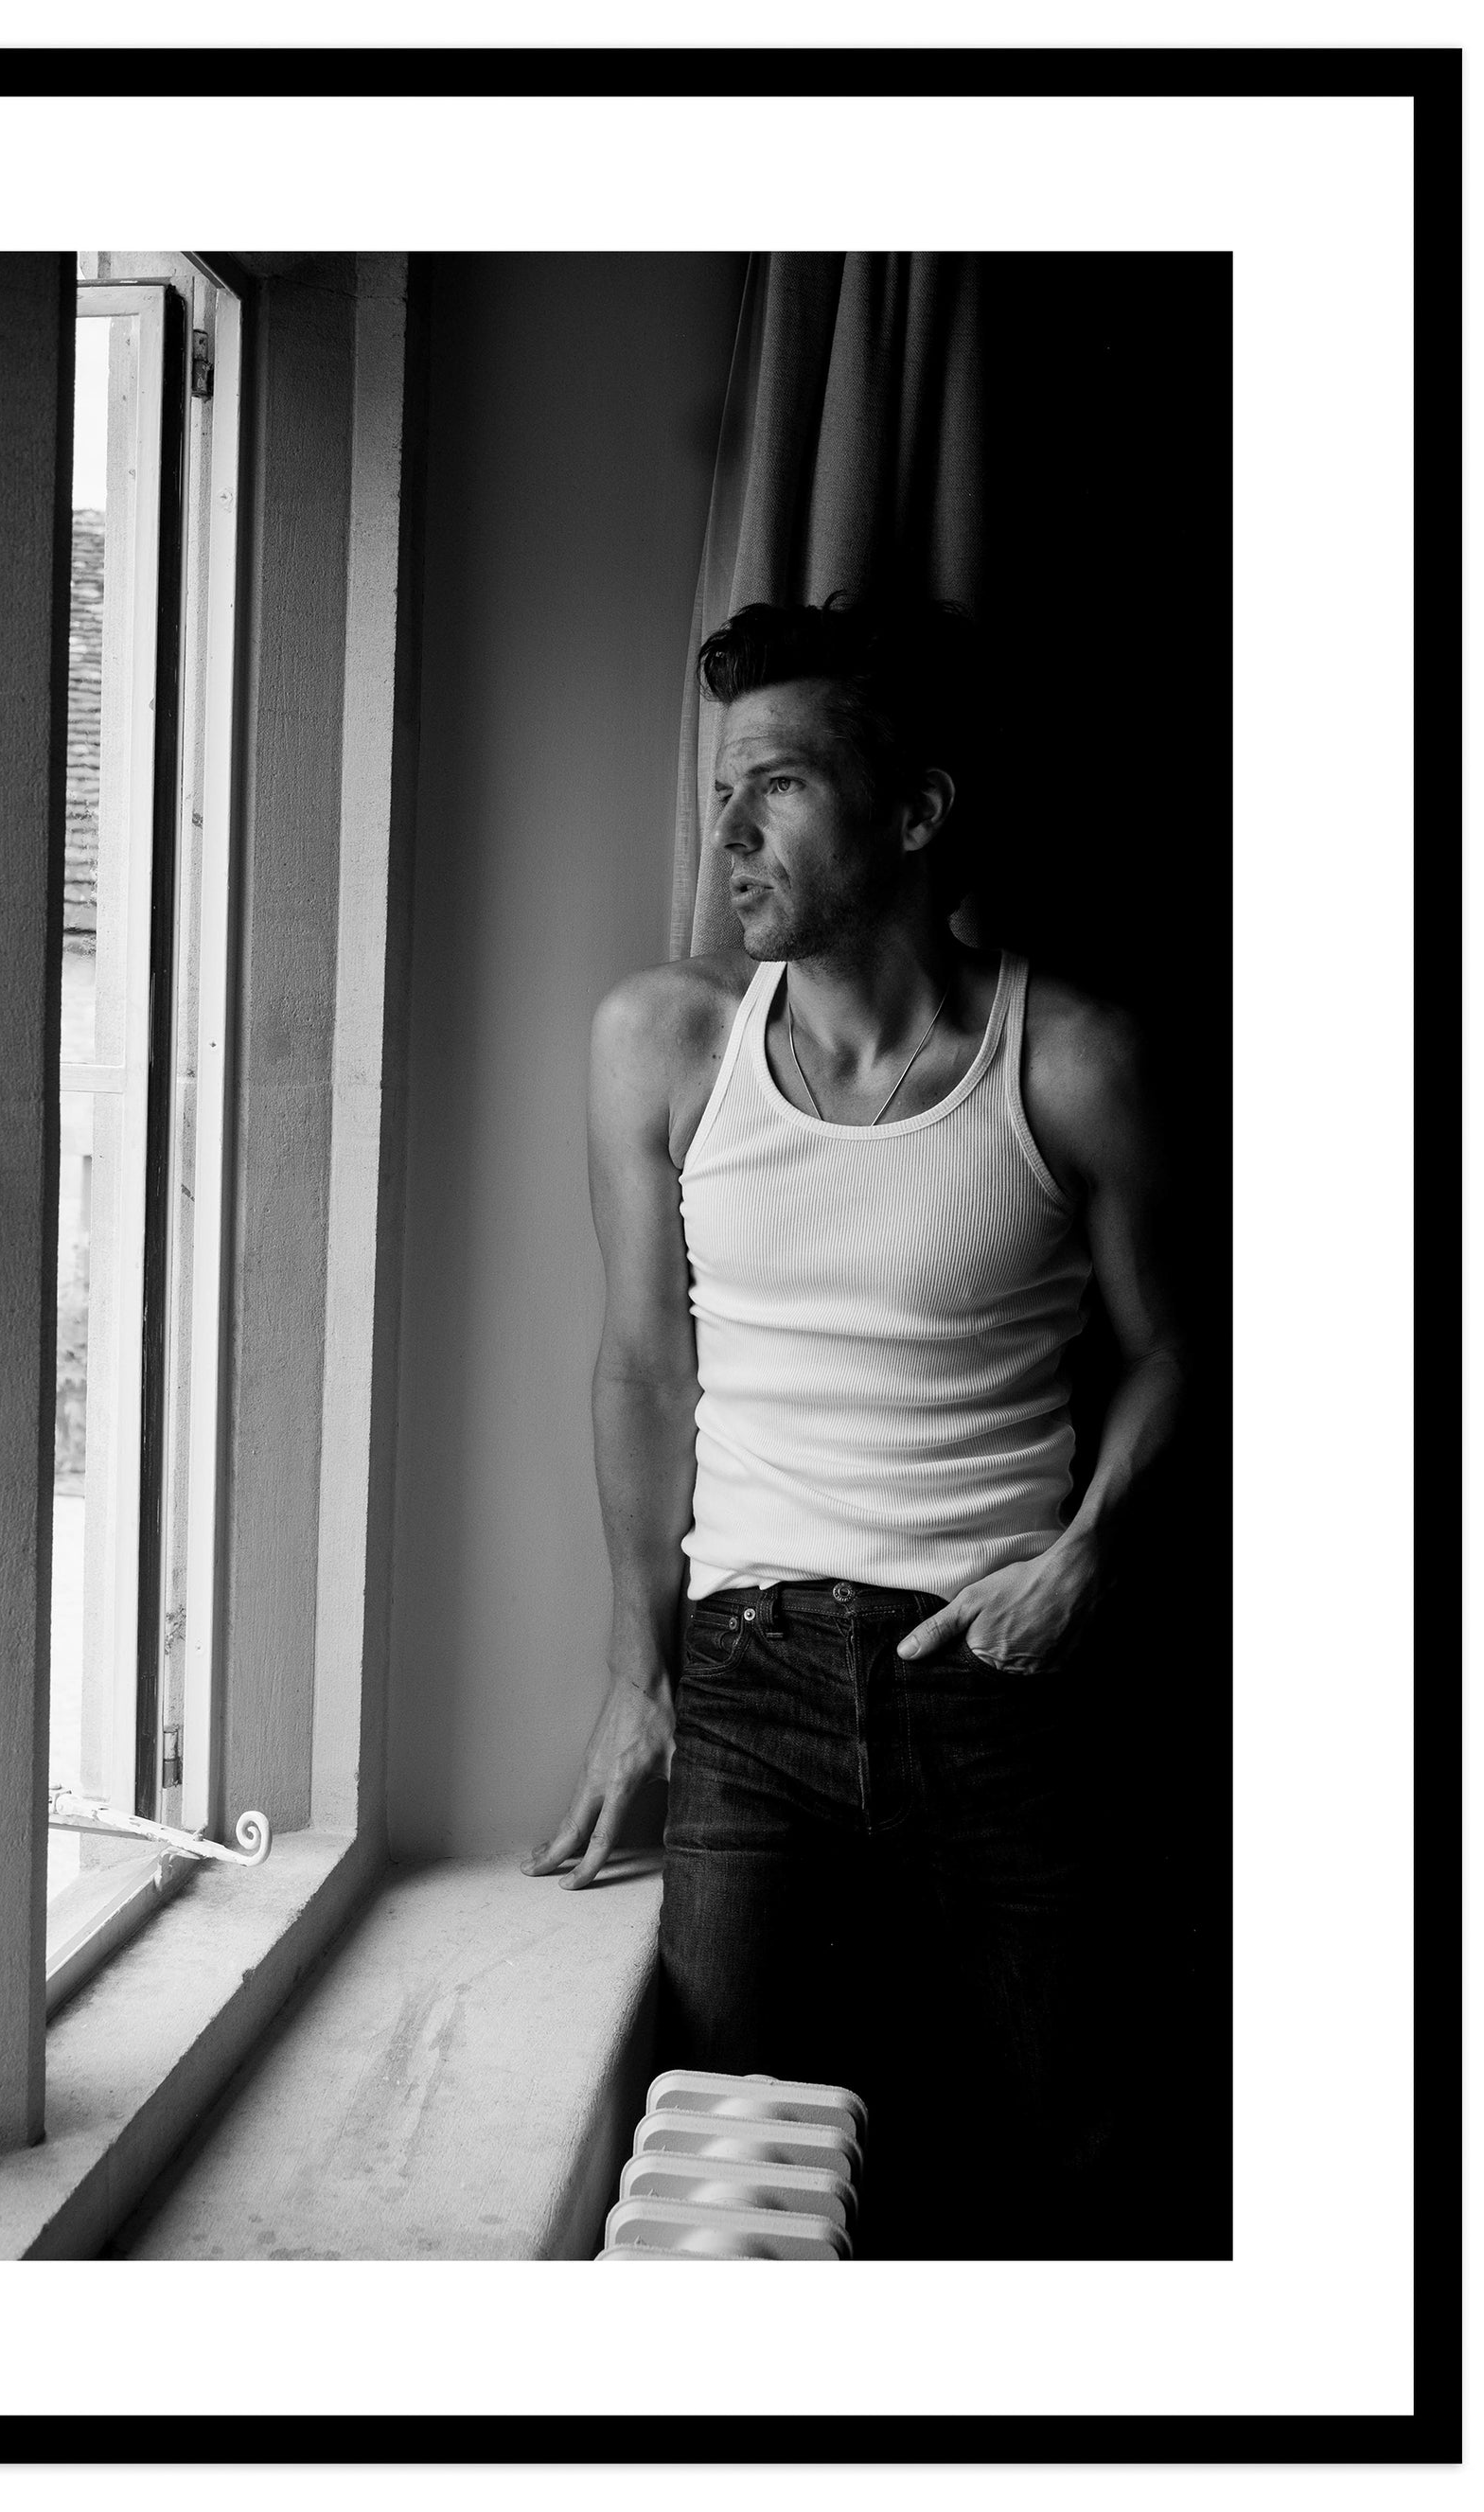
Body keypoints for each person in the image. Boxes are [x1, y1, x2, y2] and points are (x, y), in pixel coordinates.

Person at [521, 596, 1186, 2256]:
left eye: (779, 785)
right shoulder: (661, 1041)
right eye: (720, 790)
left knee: (1064, 2168)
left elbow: (1184, 1348)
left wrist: (1088, 1560)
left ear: (914, 812)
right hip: (749, 1679)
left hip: (999, 1673)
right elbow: (639, 1369)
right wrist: (636, 1677)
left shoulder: (1074, 1055)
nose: (728, 833)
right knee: (725, 2180)